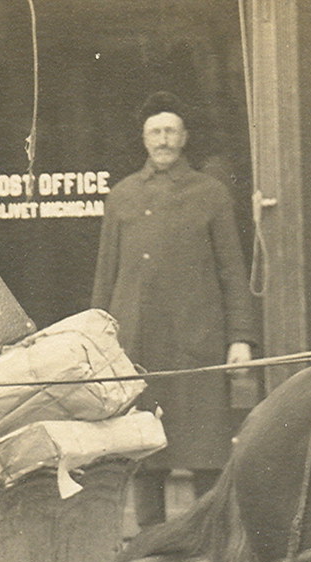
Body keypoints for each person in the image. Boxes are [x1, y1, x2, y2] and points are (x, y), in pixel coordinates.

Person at [92, 91, 257, 526]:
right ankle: (152, 556)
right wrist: (97, 342)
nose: (163, 140)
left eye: (170, 131)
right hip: (138, 344)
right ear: (144, 139)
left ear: (184, 138)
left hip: (195, 343)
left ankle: (208, 545)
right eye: (155, 132)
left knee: (206, 456)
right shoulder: (122, 196)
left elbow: (232, 270)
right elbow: (106, 274)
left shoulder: (211, 193)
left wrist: (240, 337)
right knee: (144, 457)